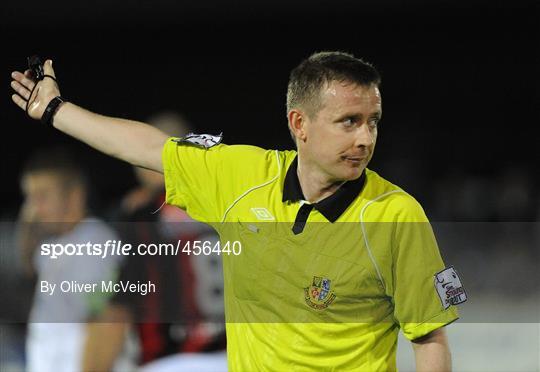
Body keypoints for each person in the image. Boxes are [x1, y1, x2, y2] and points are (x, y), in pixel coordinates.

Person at [10, 51, 466, 371]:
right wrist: (54, 109)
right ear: (299, 124)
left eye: (373, 122)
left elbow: (428, 339)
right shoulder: (243, 177)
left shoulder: (396, 215)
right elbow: (150, 147)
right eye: (349, 122)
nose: (365, 138)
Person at [82, 112, 227, 372]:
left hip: (170, 361)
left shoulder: (140, 218)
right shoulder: (229, 204)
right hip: (234, 358)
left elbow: (116, 312)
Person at [16, 146, 121, 372]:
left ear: (75, 195)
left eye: (42, 196)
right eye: (30, 198)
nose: (33, 209)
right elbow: (26, 267)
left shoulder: (96, 242)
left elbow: (104, 318)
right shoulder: (51, 242)